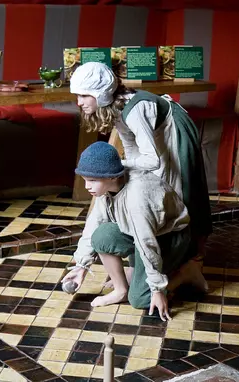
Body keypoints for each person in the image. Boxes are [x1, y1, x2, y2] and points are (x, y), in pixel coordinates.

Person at [69, 62, 212, 292]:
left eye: (85, 95)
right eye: (78, 95)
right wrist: (125, 174)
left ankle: (190, 263)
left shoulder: (135, 110)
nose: (79, 102)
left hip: (174, 130)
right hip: (153, 139)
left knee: (179, 191)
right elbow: (131, 148)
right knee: (142, 194)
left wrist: (115, 168)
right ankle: (141, 265)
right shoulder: (115, 108)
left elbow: (151, 160)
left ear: (101, 93)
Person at [61, 141, 205, 321]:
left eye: (92, 181)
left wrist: (157, 289)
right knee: (101, 236)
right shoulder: (106, 185)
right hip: (140, 233)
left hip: (169, 237)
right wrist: (81, 266)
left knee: (140, 299)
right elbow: (94, 224)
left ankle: (186, 272)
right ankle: (121, 290)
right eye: (85, 179)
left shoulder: (138, 198)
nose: (87, 186)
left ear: (112, 177)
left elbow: (147, 244)